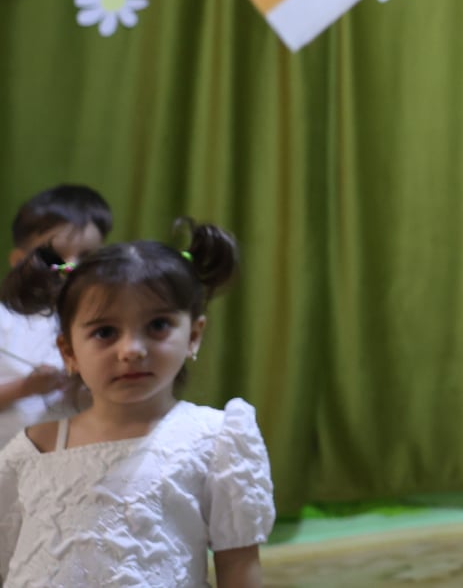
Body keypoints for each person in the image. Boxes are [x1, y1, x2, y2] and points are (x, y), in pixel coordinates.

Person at [0, 221, 273, 587]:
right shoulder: (34, 449)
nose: (131, 350)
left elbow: (239, 564)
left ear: (193, 335)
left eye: (158, 325)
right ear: (69, 351)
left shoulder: (218, 439)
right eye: (105, 332)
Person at [0, 185, 111, 448]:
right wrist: (27, 387)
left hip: (74, 458)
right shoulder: (6, 319)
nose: (71, 267)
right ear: (19, 261)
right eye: (54, 257)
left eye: (86, 256)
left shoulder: (106, 323)